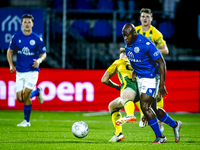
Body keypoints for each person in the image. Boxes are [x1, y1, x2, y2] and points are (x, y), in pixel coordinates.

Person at [121, 23, 182, 143]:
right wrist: (134, 71)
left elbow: (162, 63)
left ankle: (160, 137)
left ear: (134, 34)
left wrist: (161, 84)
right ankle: (175, 125)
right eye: (123, 35)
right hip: (141, 77)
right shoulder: (127, 41)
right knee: (153, 108)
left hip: (151, 76)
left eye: (127, 35)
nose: (125, 38)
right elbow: (135, 58)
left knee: (145, 106)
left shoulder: (146, 44)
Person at [7, 14, 47, 127]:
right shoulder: (16, 37)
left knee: (25, 95)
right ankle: (37, 92)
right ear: (21, 24)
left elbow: (44, 54)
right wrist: (11, 65)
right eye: (25, 22)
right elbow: (9, 51)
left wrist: (39, 60)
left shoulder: (37, 39)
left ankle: (26, 121)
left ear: (32, 24)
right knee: (20, 98)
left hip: (32, 72)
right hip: (19, 71)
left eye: (29, 22)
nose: (27, 24)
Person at [135, 8, 169, 130]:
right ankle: (144, 115)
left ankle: (160, 120)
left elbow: (165, 50)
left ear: (151, 18)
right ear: (140, 18)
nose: (145, 18)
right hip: (139, 69)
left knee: (157, 96)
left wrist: (151, 52)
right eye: (143, 16)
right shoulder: (136, 31)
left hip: (154, 69)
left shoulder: (156, 33)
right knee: (140, 93)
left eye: (147, 16)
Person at [101, 48, 138, 142]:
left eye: (121, 54)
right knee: (113, 106)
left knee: (125, 99)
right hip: (141, 90)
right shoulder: (137, 62)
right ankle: (172, 125)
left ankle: (130, 115)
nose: (119, 56)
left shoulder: (119, 61)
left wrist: (116, 86)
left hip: (128, 88)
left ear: (125, 55)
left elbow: (104, 79)